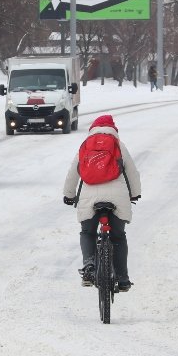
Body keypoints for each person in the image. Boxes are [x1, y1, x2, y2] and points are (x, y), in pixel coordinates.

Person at [62, 114, 141, 292]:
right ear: (113, 129)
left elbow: (73, 173)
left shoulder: (85, 145)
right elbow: (132, 172)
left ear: (93, 129)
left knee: (88, 232)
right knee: (118, 236)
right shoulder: (118, 145)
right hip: (117, 197)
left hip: (89, 197)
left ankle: (89, 265)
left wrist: (69, 195)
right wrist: (135, 194)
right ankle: (123, 279)